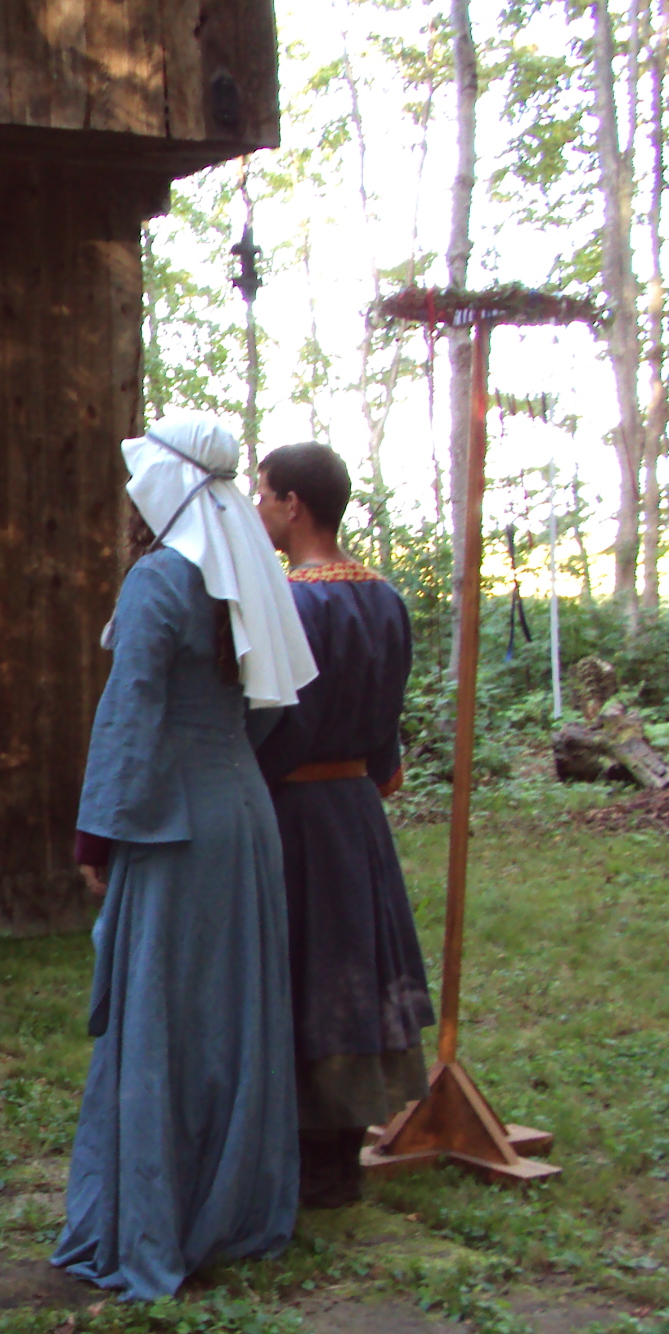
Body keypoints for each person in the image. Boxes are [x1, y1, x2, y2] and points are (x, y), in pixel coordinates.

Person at [55, 416, 318, 1301]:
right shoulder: (252, 577)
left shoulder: (160, 581)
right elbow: (272, 709)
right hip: (241, 815)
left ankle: (162, 1215)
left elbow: (128, 716)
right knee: (228, 1015)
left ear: (165, 489)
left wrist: (99, 834)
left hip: (172, 825)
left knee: (165, 1015)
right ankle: (232, 1207)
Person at [253, 442, 431, 1209]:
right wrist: (373, 771)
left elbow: (273, 723)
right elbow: (385, 727)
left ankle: (311, 1160)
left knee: (311, 973)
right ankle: (335, 1157)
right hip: (357, 809)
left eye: (263, 495)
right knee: (345, 971)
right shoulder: (385, 597)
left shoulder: (291, 601)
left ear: (294, 505)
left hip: (298, 813)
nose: (258, 508)